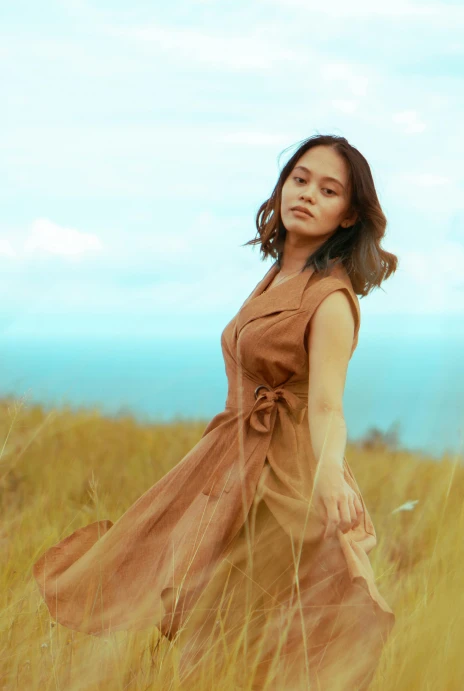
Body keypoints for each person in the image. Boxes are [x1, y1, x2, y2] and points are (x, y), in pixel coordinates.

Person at [33, 133, 399, 690]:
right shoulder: (279, 276)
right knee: (214, 630)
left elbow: (326, 405)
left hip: (284, 483)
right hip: (234, 464)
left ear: (348, 216)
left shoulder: (329, 300)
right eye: (299, 179)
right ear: (281, 188)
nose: (307, 195)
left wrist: (328, 477)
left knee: (225, 635)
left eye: (328, 190)